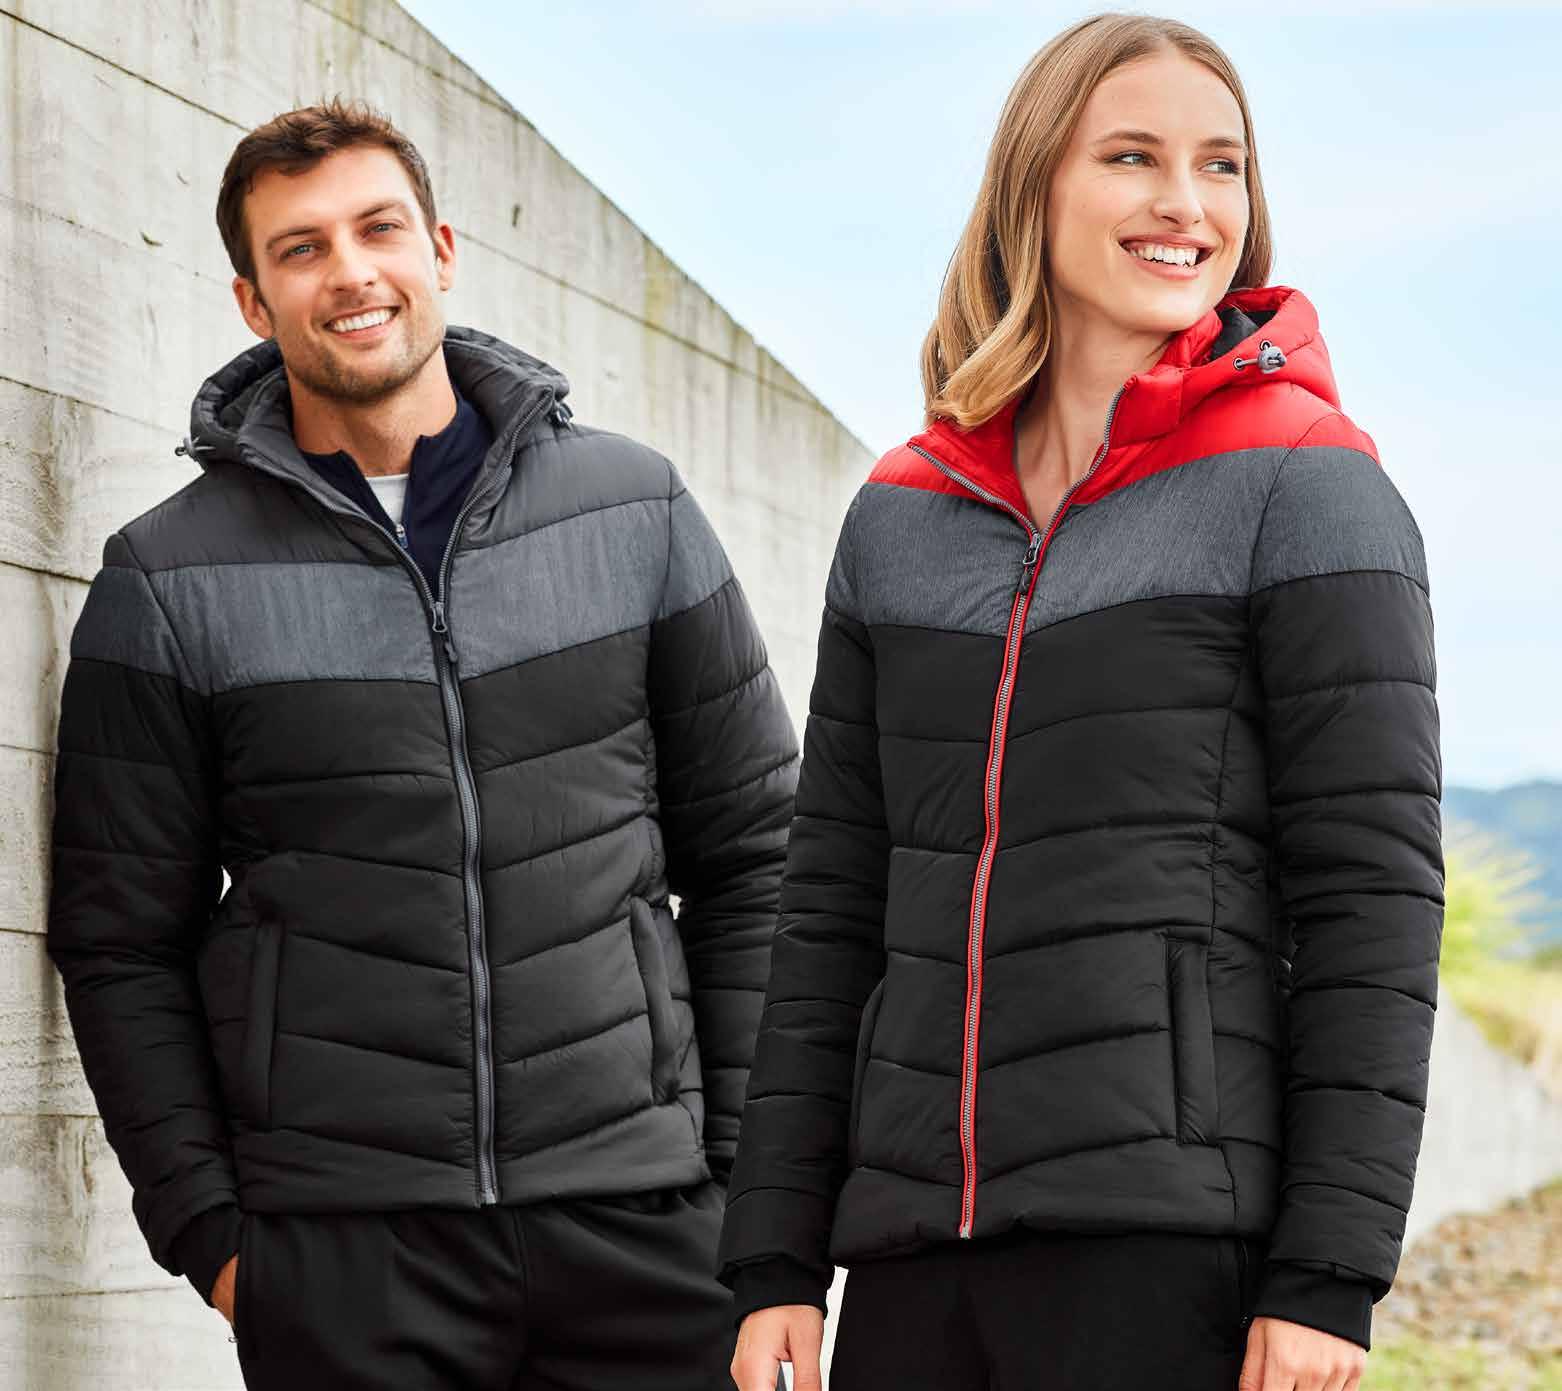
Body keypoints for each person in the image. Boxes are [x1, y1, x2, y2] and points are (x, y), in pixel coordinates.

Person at [719, 13, 1442, 1391]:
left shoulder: (1306, 483)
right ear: (1032, 188)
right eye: (1132, 157)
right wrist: (775, 1259)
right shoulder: (905, 511)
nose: (1187, 205)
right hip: (914, 1257)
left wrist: (1328, 1276)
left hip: (1171, 1246)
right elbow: (832, 906)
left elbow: (1371, 902)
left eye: (1220, 165)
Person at [46, 98, 797, 1391]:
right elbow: (120, 941)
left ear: (441, 250)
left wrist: (741, 1187)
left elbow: (759, 860)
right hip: (346, 1258)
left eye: (377, 228)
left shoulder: (633, 512)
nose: (349, 272)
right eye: (301, 248)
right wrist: (216, 1240)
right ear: (252, 300)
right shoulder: (168, 579)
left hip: (647, 1227)